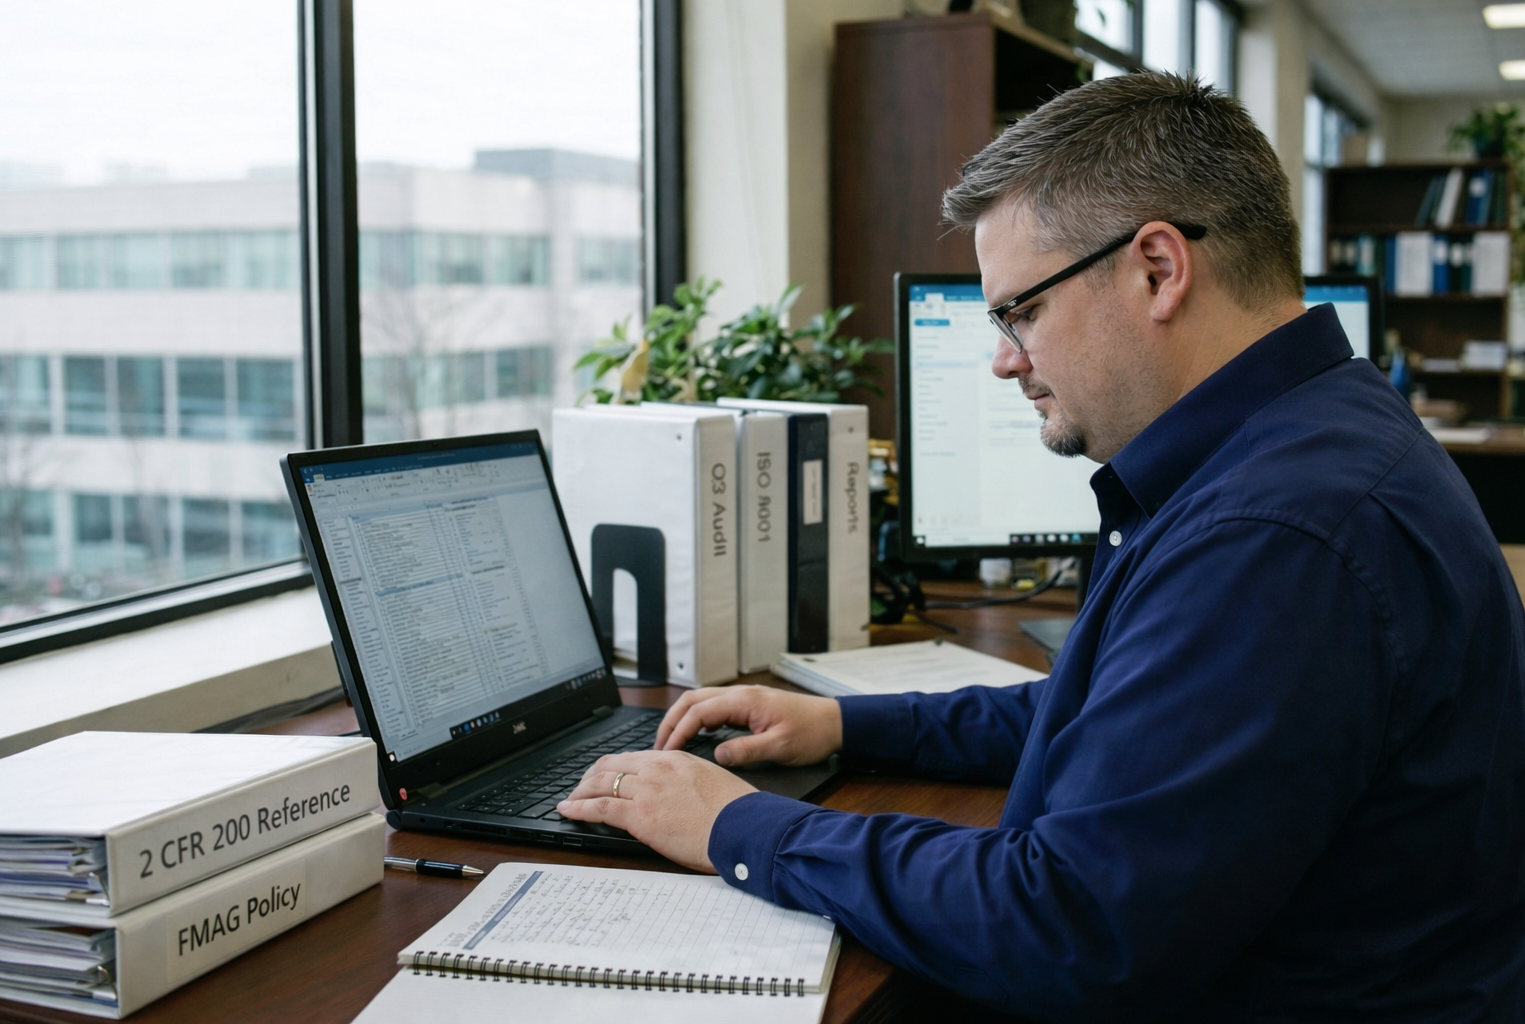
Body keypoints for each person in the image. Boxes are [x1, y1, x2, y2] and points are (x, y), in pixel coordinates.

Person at [559, 73, 1525, 1020]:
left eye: (1019, 311)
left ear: (1158, 267)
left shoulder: (1275, 536)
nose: (1002, 357)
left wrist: (732, 824)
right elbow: (1125, 713)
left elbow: (1070, 927)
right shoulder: (1312, 436)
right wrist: (848, 727)